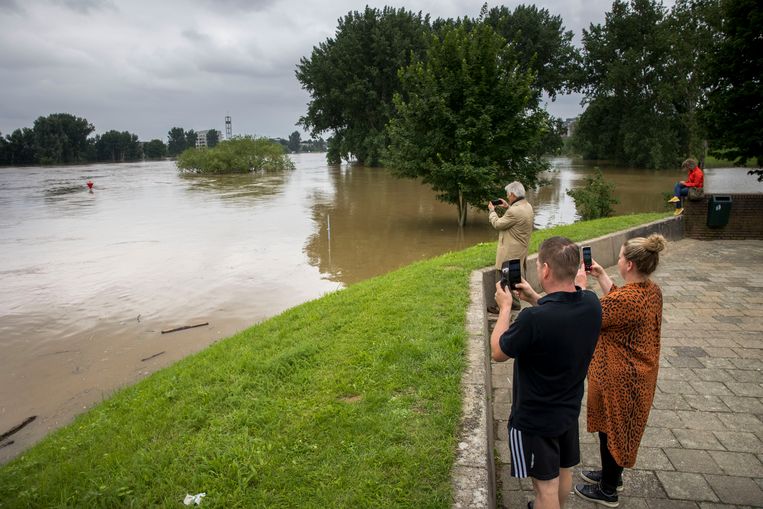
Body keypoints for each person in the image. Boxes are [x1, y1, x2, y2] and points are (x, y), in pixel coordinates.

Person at [490, 236, 602, 509]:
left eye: (539, 264)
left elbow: (498, 351)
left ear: (546, 270)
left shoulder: (533, 320)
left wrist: (505, 308)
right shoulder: (591, 303)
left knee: (545, 487)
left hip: (534, 419)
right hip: (567, 411)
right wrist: (534, 297)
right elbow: (560, 311)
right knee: (563, 470)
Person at [573, 234, 666, 508]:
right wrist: (601, 276)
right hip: (636, 376)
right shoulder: (651, 290)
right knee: (614, 428)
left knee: (613, 430)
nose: (617, 260)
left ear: (629, 264)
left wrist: (580, 289)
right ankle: (611, 475)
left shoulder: (625, 301)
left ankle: (608, 490)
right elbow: (618, 303)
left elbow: (584, 317)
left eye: (621, 257)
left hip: (621, 378)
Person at [487, 181, 534, 312]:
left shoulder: (514, 211)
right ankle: (515, 303)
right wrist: (508, 206)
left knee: (503, 280)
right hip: (520, 251)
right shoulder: (527, 206)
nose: (507, 197)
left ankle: (502, 307)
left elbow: (498, 224)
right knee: (513, 279)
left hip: (509, 252)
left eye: (508, 195)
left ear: (513, 194)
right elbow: (517, 217)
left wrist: (492, 211)